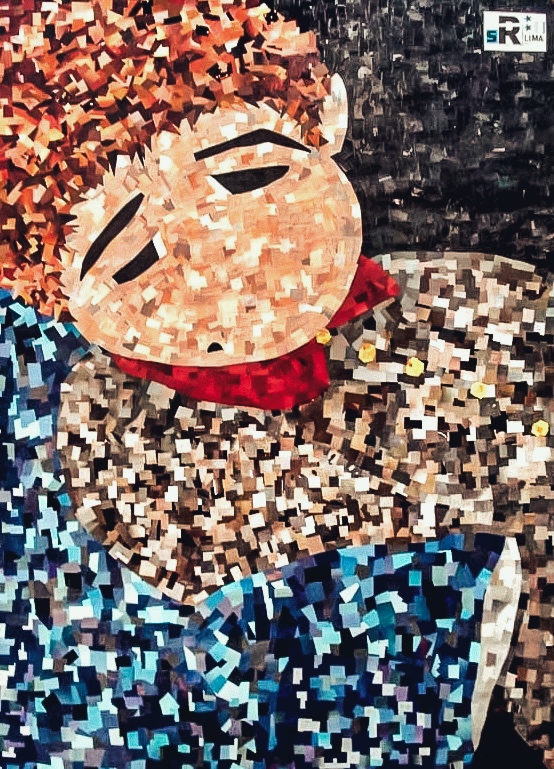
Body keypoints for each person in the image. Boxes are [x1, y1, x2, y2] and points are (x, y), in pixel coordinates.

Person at [0, 1, 551, 767]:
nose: (223, 257)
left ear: (325, 121)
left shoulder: (493, 315)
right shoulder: (95, 436)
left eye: (249, 175)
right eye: (134, 254)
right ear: (59, 298)